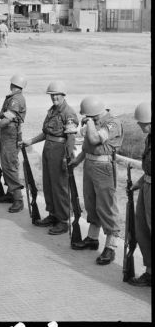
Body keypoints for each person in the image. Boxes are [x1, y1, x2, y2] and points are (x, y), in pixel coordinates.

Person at [69, 96, 123, 265]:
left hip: (104, 168)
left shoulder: (112, 123)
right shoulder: (94, 121)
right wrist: (77, 160)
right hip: (90, 165)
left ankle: (111, 247)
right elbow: (88, 147)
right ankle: (92, 238)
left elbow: (94, 139)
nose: (86, 119)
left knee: (106, 206)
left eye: (88, 116)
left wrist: (90, 123)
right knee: (91, 203)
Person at [19, 81, 79, 234]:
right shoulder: (52, 111)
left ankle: (63, 220)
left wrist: (67, 157)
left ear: (63, 95)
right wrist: (30, 141)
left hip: (60, 152)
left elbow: (71, 138)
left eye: (57, 95)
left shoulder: (69, 113)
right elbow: (46, 133)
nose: (54, 98)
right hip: (48, 150)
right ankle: (53, 214)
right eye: (52, 95)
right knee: (48, 184)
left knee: (60, 187)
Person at [0, 74, 27, 213]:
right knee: (6, 164)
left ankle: (18, 199)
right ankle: (11, 194)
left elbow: (6, 120)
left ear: (13, 85)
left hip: (11, 135)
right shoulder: (15, 98)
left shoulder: (16, 100)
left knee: (10, 166)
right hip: (8, 134)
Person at [127, 101, 151, 286]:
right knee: (141, 228)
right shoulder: (149, 137)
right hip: (147, 187)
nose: (139, 125)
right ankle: (149, 272)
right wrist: (140, 182)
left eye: (141, 122)